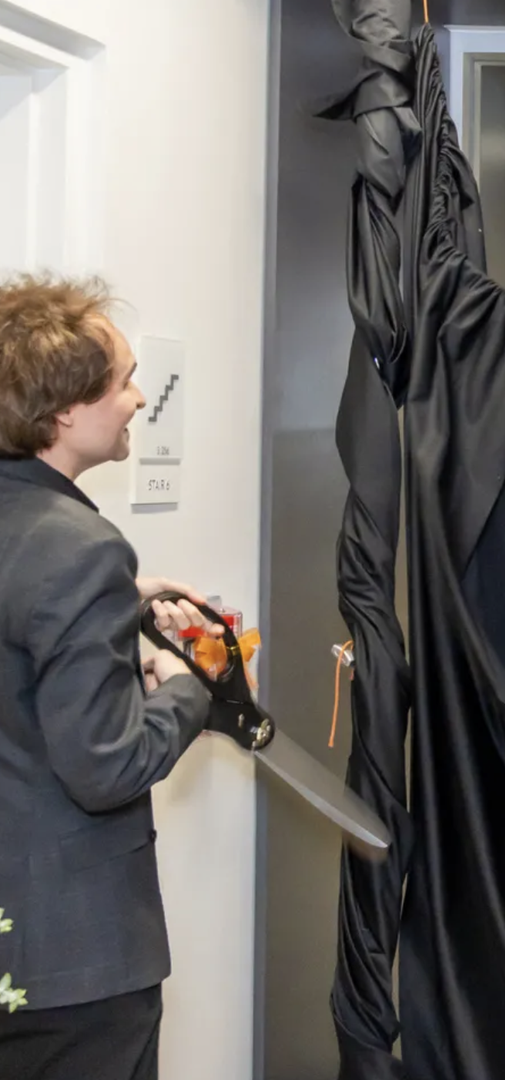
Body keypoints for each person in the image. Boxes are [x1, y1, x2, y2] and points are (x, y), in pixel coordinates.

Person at [0, 274, 217, 1080]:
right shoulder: (81, 549)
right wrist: (199, 681)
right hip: (70, 965)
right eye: (123, 381)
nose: (137, 397)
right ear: (64, 413)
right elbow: (108, 767)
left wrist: (113, 605)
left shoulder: (50, 549)